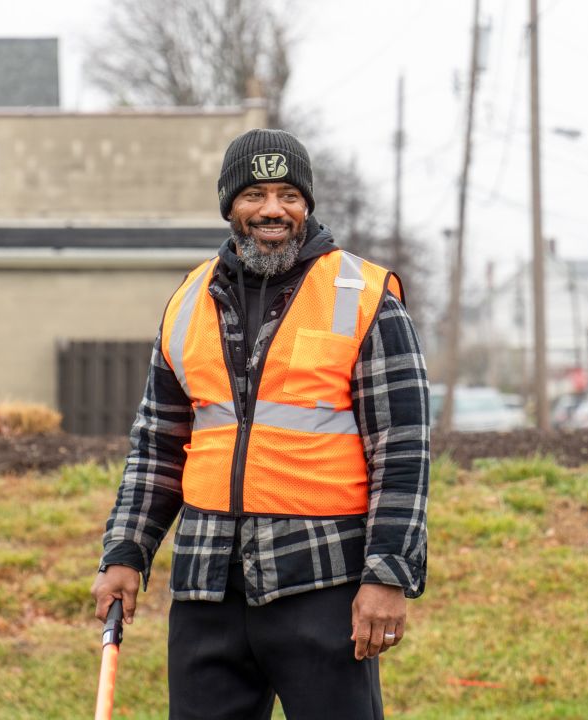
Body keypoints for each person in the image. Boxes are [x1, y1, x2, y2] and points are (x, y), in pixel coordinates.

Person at [91, 128, 429, 719]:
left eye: (288, 196)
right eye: (254, 195)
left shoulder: (365, 296)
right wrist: (126, 552)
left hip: (322, 584)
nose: (273, 210)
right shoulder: (187, 301)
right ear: (229, 206)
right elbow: (157, 447)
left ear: (307, 206)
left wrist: (388, 574)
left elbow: (402, 453)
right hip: (206, 584)